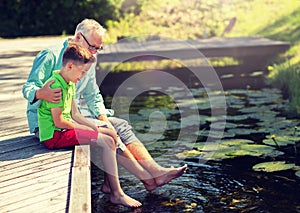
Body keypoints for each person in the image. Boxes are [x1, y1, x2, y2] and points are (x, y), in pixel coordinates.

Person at [22, 18, 187, 193]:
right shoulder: (50, 55)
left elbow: (92, 94)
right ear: (78, 37)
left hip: (72, 114)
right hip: (48, 123)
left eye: (98, 48)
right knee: (108, 133)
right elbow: (28, 87)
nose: (94, 52)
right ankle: (146, 178)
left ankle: (152, 172)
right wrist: (40, 93)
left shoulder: (87, 59)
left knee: (117, 125)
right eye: (92, 46)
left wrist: (102, 117)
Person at [38, 43, 142, 207]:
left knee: (111, 133)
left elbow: (75, 114)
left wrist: (96, 126)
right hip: (55, 136)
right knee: (107, 142)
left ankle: (109, 185)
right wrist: (87, 129)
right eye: (82, 72)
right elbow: (59, 121)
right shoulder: (56, 86)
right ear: (70, 66)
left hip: (64, 129)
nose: (83, 76)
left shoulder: (69, 82)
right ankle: (117, 194)